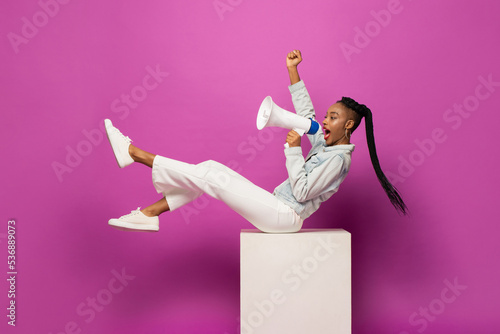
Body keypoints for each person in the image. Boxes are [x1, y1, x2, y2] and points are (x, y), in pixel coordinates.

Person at [105, 50, 407, 233]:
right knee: (208, 172)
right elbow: (306, 115)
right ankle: (148, 214)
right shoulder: (325, 145)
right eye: (327, 116)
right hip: (276, 207)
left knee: (211, 175)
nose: (325, 122)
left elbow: (302, 192)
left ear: (349, 126)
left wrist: (291, 151)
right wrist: (293, 71)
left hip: (285, 216)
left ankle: (134, 154)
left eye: (333, 118)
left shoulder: (339, 160)